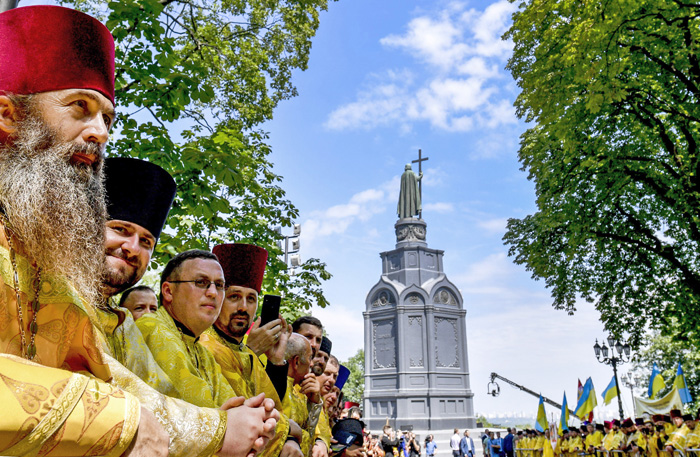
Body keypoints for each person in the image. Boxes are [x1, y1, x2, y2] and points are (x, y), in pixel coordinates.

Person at [96, 157, 278, 456]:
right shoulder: (151, 326)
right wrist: (226, 426)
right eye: (120, 229)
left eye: (146, 240)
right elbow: (152, 399)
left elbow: (238, 405)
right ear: (167, 291)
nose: (132, 248)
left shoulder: (126, 324)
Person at [200, 242, 303, 457]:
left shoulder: (244, 351)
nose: (243, 307)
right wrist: (290, 431)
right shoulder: (203, 345)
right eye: (234, 296)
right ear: (218, 297)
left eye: (251, 299)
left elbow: (275, 407)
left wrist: (275, 361)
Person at [136, 249, 237, 406]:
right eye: (201, 282)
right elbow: (195, 409)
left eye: (219, 285)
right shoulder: (152, 328)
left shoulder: (203, 353)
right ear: (169, 291)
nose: (213, 293)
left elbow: (233, 404)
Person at [283, 332, 318, 454]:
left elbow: (309, 437)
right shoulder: (276, 390)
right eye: (310, 358)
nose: (312, 364)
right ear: (296, 362)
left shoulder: (299, 392)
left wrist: (314, 402)